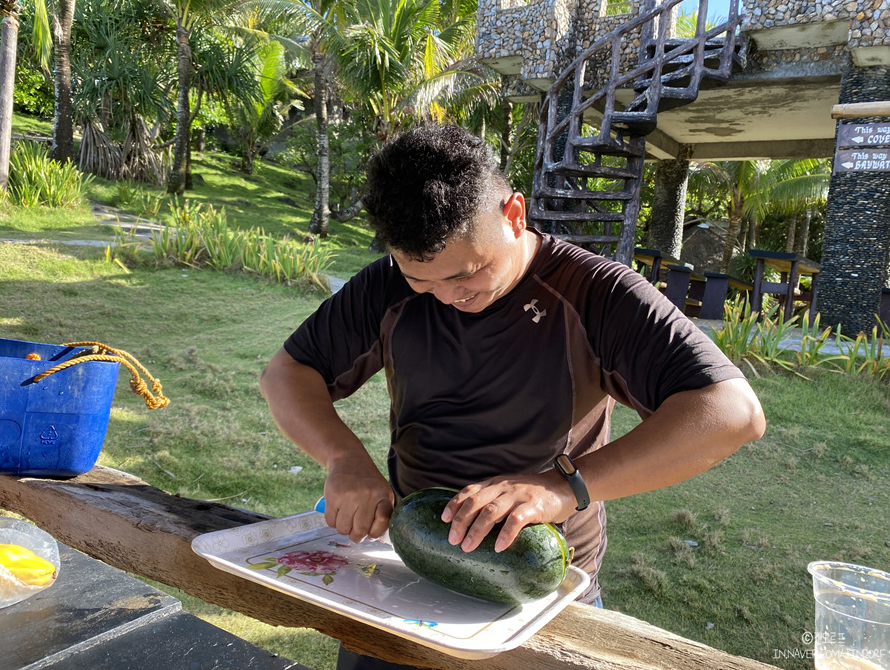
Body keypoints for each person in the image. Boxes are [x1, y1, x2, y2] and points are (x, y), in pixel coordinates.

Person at [259, 124, 766, 669]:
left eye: (468, 273)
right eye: (423, 282)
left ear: (514, 214)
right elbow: (288, 373)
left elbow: (731, 413)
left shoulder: (596, 294)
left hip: (536, 584)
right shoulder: (386, 285)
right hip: (412, 559)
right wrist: (344, 459)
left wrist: (563, 487)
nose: (450, 298)